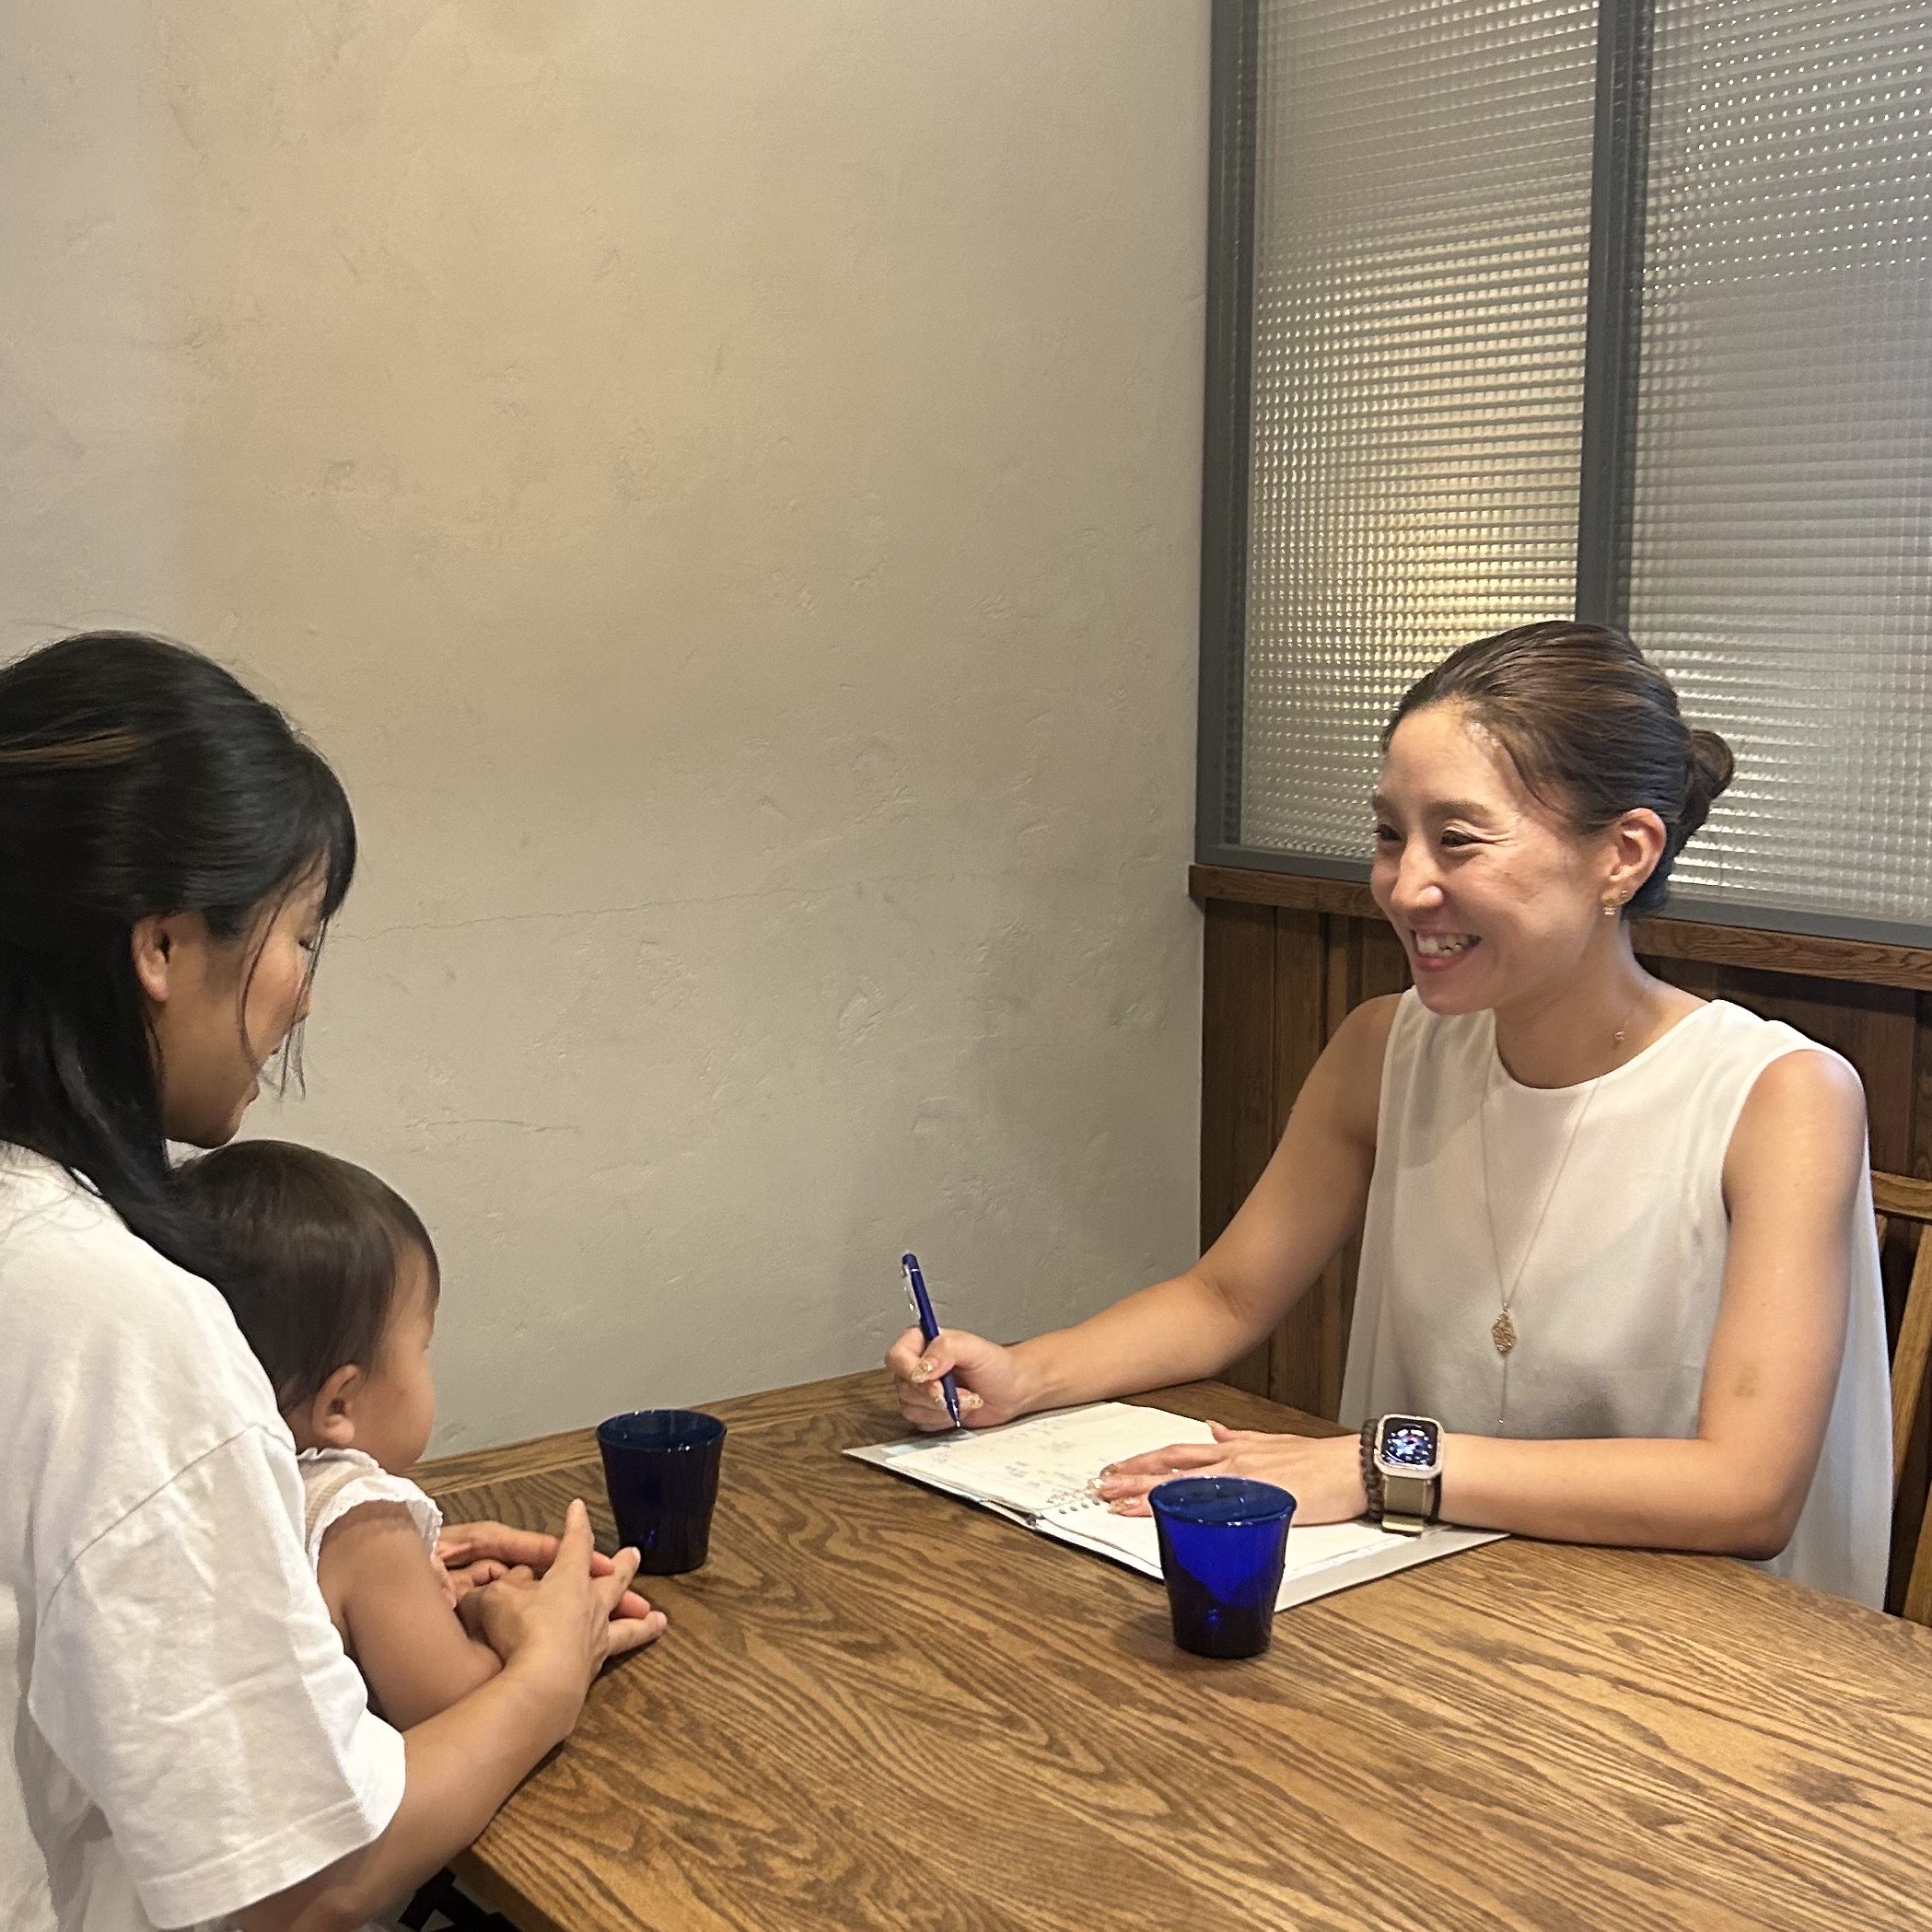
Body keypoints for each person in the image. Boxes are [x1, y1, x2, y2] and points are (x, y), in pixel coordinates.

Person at [888, 623, 1892, 1608]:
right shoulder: (1385, 1047)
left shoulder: (1779, 1095)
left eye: (1457, 840)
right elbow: (1225, 1297)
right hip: (1428, 1603)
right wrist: (1022, 1375)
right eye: (1388, 835)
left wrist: (1376, 1465)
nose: (1406, 886)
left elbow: (1746, 1489)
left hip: (1698, 1647)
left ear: (1623, 855)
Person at [0, 632, 663, 1932]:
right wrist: (549, 1671)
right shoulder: (108, 1314)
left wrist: (276, 1559)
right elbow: (304, 1882)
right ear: (162, 944)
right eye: (301, 934)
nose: (302, 997)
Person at [174, 1140, 517, 1731]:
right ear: (340, 1403)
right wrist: (527, 1631)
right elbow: (451, 1706)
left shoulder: (230, 1491)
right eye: (422, 1346)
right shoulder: (363, 1518)